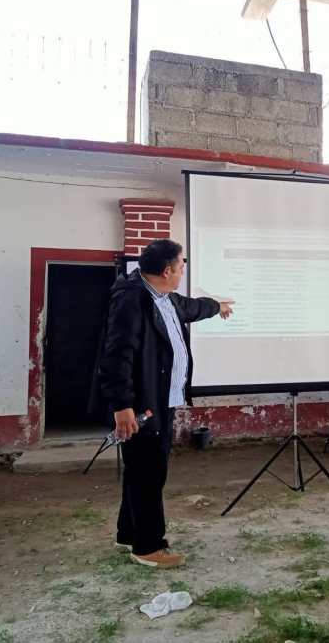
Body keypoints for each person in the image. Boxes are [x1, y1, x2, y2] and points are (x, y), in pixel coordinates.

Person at [97, 239, 234, 567]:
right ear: (167, 270)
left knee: (139, 469)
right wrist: (122, 405)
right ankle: (148, 547)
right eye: (182, 265)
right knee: (149, 472)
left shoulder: (164, 297)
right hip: (143, 404)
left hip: (161, 399)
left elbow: (191, 307)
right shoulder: (133, 300)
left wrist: (217, 307)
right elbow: (117, 354)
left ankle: (128, 534)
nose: (184, 269)